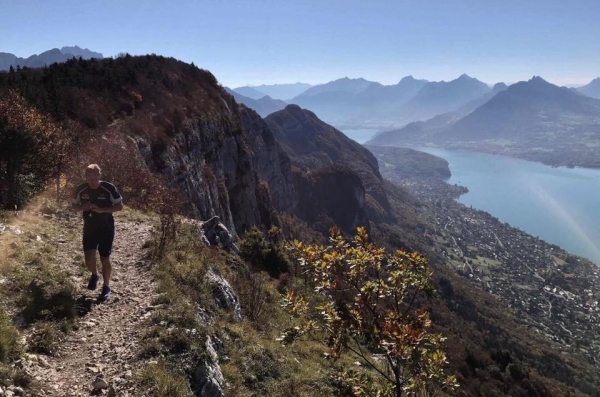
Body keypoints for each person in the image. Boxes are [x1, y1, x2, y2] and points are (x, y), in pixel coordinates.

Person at [72, 164, 123, 300]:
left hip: (106, 228)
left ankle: (106, 286)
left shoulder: (109, 188)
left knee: (104, 258)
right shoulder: (80, 189)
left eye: (95, 177)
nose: (92, 180)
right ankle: (94, 275)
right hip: (89, 227)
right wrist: (82, 207)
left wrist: (102, 210)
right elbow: (74, 205)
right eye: (90, 177)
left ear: (100, 176)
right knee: (89, 258)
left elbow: (120, 206)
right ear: (86, 178)